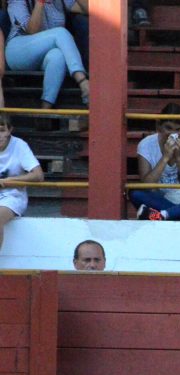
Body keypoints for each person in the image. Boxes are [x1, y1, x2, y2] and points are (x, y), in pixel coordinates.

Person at [5, 0, 91, 109]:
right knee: (60, 32)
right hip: (18, 50)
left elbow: (89, 9)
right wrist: (40, 2)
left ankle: (45, 111)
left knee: (57, 56)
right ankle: (83, 82)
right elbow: (32, 30)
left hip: (45, 52)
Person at [0, 116, 42, 252]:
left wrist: (8, 182)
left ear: (9, 130)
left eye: (1, 130)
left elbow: (38, 175)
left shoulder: (19, 145)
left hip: (12, 196)